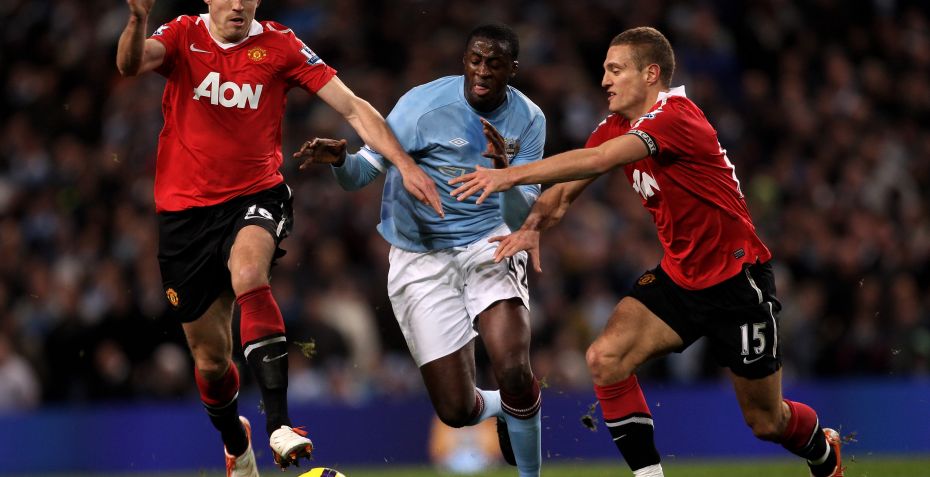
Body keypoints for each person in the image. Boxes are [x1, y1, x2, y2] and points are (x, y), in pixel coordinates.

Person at [449, 27, 844, 477]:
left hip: (737, 282)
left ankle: (822, 450)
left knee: (766, 421)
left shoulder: (676, 116)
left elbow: (599, 160)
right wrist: (533, 224)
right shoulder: (615, 126)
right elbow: (561, 196)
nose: (604, 80)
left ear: (650, 74)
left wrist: (509, 176)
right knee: (606, 358)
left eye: (615, 70)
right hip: (680, 279)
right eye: (605, 71)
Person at [115, 0, 443, 475]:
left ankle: (280, 425)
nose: (238, 5)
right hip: (184, 217)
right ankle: (237, 442)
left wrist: (405, 164)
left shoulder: (280, 45)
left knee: (250, 271)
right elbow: (129, 65)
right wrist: (136, 20)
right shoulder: (183, 34)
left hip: (256, 194)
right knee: (210, 362)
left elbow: (352, 107)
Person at [293, 25, 545, 476]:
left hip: (487, 242)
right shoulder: (421, 106)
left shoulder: (529, 119)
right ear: (464, 61)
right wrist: (340, 161)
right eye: (475, 61)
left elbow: (521, 212)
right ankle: (507, 409)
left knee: (513, 369)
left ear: (513, 68)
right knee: (456, 410)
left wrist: (505, 175)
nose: (482, 71)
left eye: (494, 63)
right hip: (420, 257)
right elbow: (362, 174)